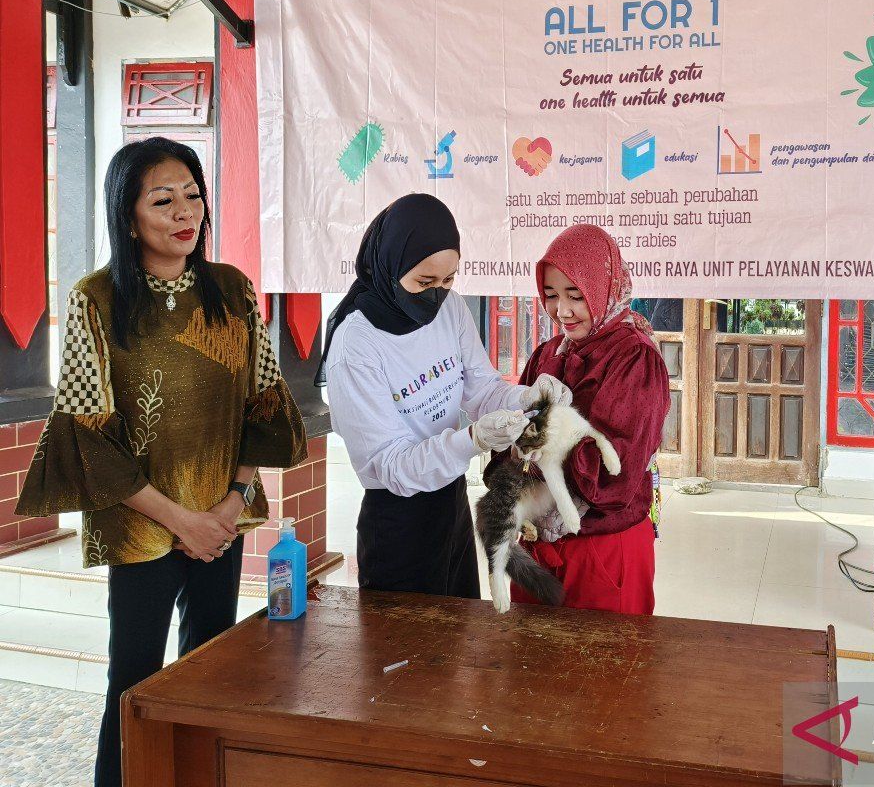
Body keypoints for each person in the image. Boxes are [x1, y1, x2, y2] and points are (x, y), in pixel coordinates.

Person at [15, 137, 309, 787]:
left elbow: (261, 403)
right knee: (136, 680)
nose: (185, 212)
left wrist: (229, 506)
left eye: (193, 194)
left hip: (220, 523)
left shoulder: (230, 290)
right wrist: (181, 519)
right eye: (163, 199)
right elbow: (90, 436)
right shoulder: (96, 300)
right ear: (129, 216)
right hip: (141, 527)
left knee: (209, 669)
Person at [320, 193, 571, 597]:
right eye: (424, 282)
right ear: (390, 264)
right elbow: (392, 467)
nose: (437, 294)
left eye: (448, 280)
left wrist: (525, 398)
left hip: (451, 501)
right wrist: (470, 441)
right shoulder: (357, 346)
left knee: (458, 642)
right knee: (406, 653)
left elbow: (481, 388)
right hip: (397, 521)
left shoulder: (450, 309)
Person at [494, 224, 670, 614]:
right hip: (536, 543)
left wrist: (536, 454)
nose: (562, 311)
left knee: (606, 667)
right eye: (552, 296)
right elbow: (511, 436)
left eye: (577, 296)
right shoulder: (549, 353)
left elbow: (615, 477)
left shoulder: (633, 358)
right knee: (533, 661)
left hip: (602, 549)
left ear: (603, 288)